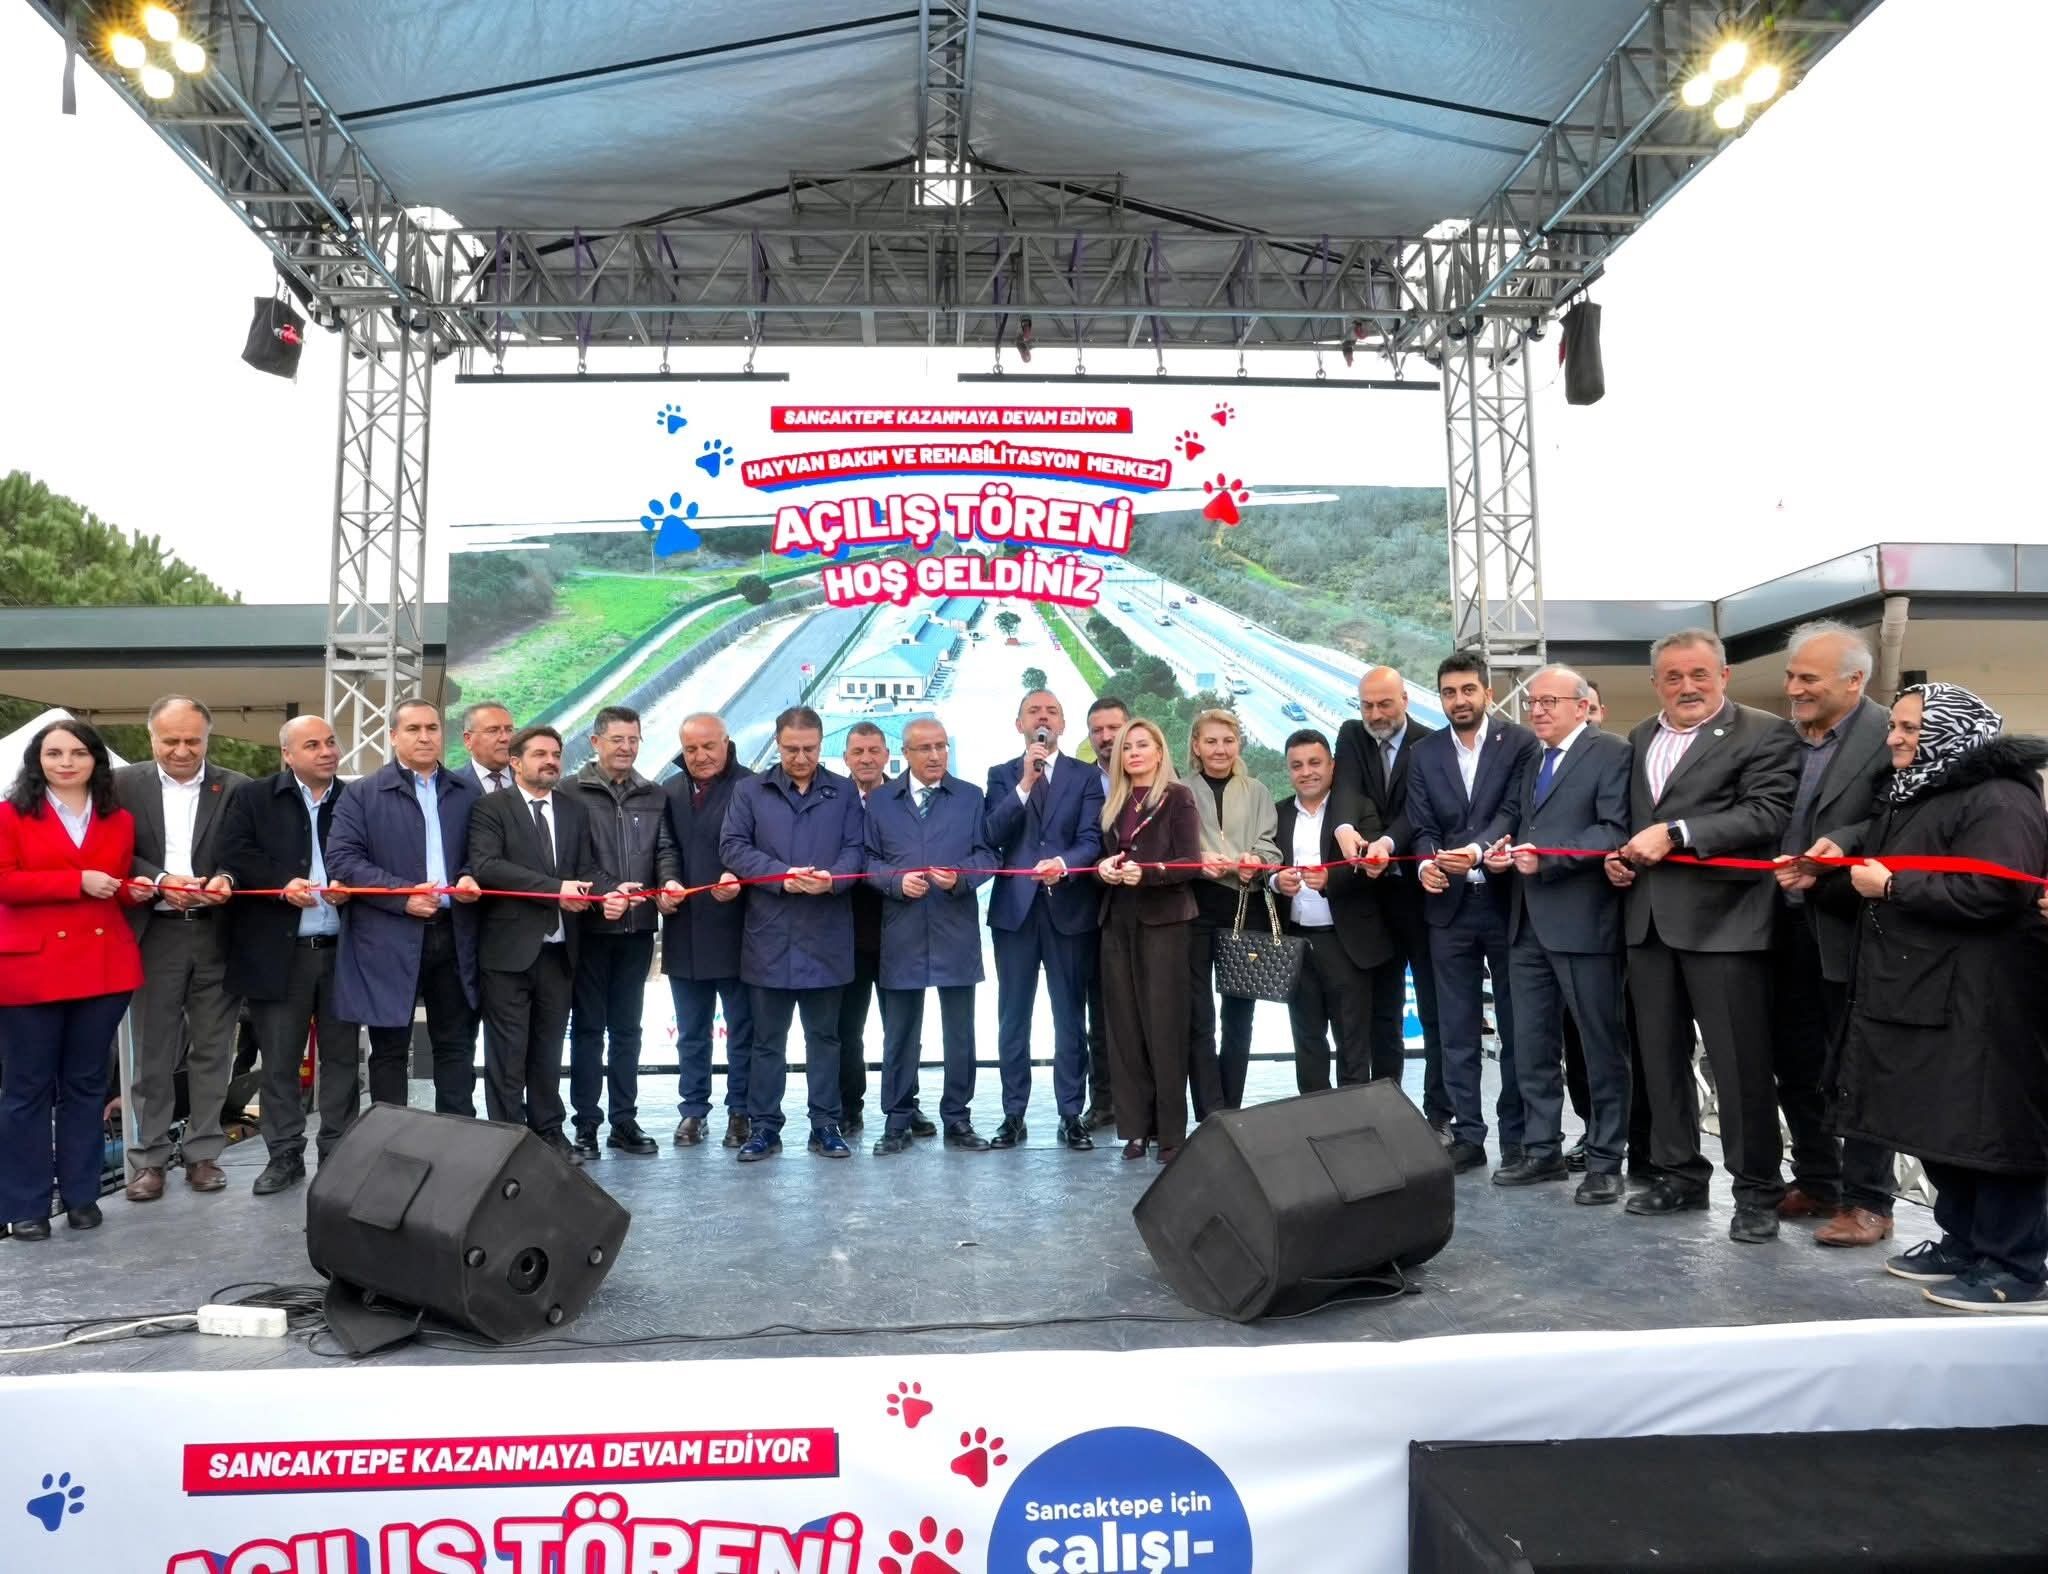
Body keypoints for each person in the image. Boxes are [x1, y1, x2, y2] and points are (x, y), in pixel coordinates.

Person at [1808, 684, 2048, 1312]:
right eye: (1895, 726)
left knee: (1990, 1127)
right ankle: (1965, 1243)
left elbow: (1998, 892)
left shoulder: (2000, 797)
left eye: (1910, 728)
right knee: (1942, 1126)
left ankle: (2017, 1265)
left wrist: (1894, 888)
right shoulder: (1920, 792)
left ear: (1951, 731)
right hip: (1925, 992)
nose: (1894, 738)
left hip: (1984, 997)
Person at [1607, 629, 1799, 1242]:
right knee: (1660, 1059)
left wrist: (1678, 833)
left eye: (1698, 674)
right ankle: (1679, 1176)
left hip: (1727, 924)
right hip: (1648, 922)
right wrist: (1621, 859)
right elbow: (1638, 824)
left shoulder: (1765, 731)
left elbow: (1768, 812)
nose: (1686, 686)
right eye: (1673, 676)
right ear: (1655, 683)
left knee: (1738, 1067)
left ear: (1724, 676)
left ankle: (1757, 1191)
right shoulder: (1640, 736)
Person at [1766, 621, 1897, 1245]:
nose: (1794, 689)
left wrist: (1842, 844)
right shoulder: (1780, 739)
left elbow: (1896, 821)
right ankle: (1819, 1180)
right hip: (1780, 925)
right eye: (1791, 676)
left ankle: (1871, 1201)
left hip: (1851, 927)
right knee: (1794, 1060)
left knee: (1858, 1069)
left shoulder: (1889, 737)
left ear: (1854, 681)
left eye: (1808, 679)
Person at [1483, 667, 1632, 1202]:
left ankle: (1606, 1159)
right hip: (1526, 923)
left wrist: (1546, 859)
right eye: (1532, 702)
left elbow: (1613, 829)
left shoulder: (1611, 752)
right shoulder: (1535, 760)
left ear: (1582, 706)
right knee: (1531, 1044)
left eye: (1549, 701)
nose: (1538, 710)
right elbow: (1525, 826)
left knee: (1600, 1046)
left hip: (1585, 923)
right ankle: (1542, 1149)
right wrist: (1503, 853)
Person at [0, 720, 147, 1241]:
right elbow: (5, 882)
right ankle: (25, 1205)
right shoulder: (10, 815)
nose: (66, 762)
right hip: (30, 970)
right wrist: (75, 881)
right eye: (54, 753)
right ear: (37, 760)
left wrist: (135, 889)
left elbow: (114, 886)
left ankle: (83, 1196)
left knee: (86, 1086)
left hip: (102, 967)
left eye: (78, 753)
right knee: (27, 1089)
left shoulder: (118, 819)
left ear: (95, 761)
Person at [1394, 655, 1537, 1175]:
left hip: (1505, 902)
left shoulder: (1519, 743)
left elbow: (1514, 812)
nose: (1459, 700)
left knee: (1516, 1027)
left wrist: (1474, 853)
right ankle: (1468, 1136)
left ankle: (1516, 1137)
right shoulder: (1424, 752)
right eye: (1449, 692)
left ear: (1487, 692)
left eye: (1468, 690)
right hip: (1447, 908)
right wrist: (1428, 865)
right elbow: (1421, 824)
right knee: (1456, 1031)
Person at [217, 716, 362, 1196]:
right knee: (279, 1061)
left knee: (342, 1060)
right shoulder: (254, 797)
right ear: (287, 754)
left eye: (331, 742)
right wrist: (281, 885)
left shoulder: (355, 799)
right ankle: (284, 1155)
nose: (327, 751)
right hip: (280, 954)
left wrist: (351, 885)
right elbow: (234, 853)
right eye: (312, 744)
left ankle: (338, 1155)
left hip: (343, 951)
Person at [113, 695, 249, 1201]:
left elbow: (247, 850)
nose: (182, 750)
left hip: (217, 933)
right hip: (154, 932)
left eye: (193, 740)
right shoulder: (122, 786)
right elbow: (111, 850)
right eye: (170, 740)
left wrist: (228, 877)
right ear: (151, 737)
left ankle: (203, 1154)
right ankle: (148, 1160)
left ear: (208, 738)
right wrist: (160, 879)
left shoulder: (236, 787)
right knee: (152, 1051)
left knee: (214, 1048)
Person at [470, 725, 624, 1161]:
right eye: (540, 754)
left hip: (560, 952)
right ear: (515, 762)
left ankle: (550, 1132)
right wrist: (556, 889)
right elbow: (487, 866)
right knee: (507, 1054)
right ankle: (508, 1140)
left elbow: (585, 870)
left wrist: (608, 893)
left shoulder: (573, 810)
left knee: (548, 1050)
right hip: (507, 953)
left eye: (555, 754)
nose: (551, 761)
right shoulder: (491, 807)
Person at [719, 705, 865, 1161]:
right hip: (770, 934)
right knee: (767, 1042)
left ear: (821, 745)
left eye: (809, 749)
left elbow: (857, 850)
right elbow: (732, 846)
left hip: (826, 933)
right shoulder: (750, 791)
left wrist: (833, 880)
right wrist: (779, 876)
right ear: (777, 744)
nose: (800, 758)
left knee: (825, 1038)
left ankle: (826, 1124)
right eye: (790, 749)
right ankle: (764, 1126)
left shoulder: (843, 791)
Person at [327, 699, 484, 1115]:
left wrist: (470, 875)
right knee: (389, 1049)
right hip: (386, 936)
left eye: (432, 728)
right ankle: (390, 1140)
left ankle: (456, 1135)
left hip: (455, 935)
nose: (425, 737)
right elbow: (342, 859)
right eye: (413, 729)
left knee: (456, 1046)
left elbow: (484, 853)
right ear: (393, 736)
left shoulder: (467, 792)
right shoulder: (362, 793)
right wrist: (403, 896)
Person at [863, 719, 995, 1154]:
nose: (936, 755)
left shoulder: (970, 797)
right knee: (900, 1032)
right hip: (902, 930)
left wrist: (961, 877)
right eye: (925, 748)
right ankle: (897, 1120)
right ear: (906, 753)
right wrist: (895, 882)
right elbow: (866, 860)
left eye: (941, 746)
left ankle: (958, 1117)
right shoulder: (881, 801)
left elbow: (987, 854)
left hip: (954, 926)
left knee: (960, 1031)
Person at [983, 689, 1105, 1151]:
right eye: (1034, 712)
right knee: (1013, 1017)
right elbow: (992, 833)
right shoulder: (1001, 775)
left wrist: (1064, 864)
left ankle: (1071, 1113)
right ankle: (1013, 1114)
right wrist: (1025, 784)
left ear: (1063, 725)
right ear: (1020, 725)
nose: (1043, 718)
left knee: (1069, 1016)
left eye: (1051, 711)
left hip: (1067, 909)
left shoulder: (1084, 776)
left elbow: (1091, 839)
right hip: (1014, 914)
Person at [1332, 666, 1446, 1132]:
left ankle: (1439, 1115)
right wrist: (1344, 828)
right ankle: (1384, 1112)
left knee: (1434, 1013)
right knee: (1381, 1014)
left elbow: (1418, 811)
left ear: (1405, 701)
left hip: (1419, 899)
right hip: (1369, 902)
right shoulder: (1351, 735)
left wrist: (1385, 844)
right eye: (1367, 705)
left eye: (1385, 704)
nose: (1376, 714)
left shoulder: (1430, 743)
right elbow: (1346, 789)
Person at [564, 705, 669, 1160]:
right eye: (617, 739)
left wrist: (668, 883)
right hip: (590, 929)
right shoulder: (570, 792)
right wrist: (608, 891)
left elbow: (665, 850)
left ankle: (624, 1121)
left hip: (638, 929)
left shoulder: (653, 793)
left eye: (633, 740)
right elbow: (572, 858)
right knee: (588, 1030)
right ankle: (586, 1124)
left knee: (628, 1031)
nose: (626, 748)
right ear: (595, 742)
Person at [1096, 718, 1202, 1162]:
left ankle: (1171, 1133)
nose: (1134, 753)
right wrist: (1104, 869)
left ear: (1159, 752)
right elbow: (1105, 857)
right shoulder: (1114, 802)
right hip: (1118, 919)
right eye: (1127, 747)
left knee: (1165, 1026)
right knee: (1125, 1027)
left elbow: (1191, 863)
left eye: (1142, 745)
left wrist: (1150, 873)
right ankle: (1135, 1130)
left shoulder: (1178, 797)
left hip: (1164, 922)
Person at [1271, 729, 1389, 1093]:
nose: (1306, 772)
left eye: (1314, 763)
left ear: (1332, 766)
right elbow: (1265, 866)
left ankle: (1353, 1120)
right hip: (1296, 944)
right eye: (1297, 766)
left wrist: (1331, 879)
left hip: (1346, 943)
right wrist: (1276, 881)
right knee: (1306, 1041)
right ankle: (1313, 1118)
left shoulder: (1357, 809)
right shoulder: (1277, 814)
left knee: (1353, 1041)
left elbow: (1375, 869)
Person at [657, 714, 754, 1148]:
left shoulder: (751, 787)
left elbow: (762, 849)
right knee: (692, 1032)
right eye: (691, 749)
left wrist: (740, 878)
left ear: (727, 743)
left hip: (739, 930)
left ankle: (741, 1110)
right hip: (684, 929)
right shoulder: (670, 791)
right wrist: (665, 884)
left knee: (743, 1029)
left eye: (709, 746)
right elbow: (663, 848)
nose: (700, 756)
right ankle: (693, 1110)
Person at [837, 722, 934, 1137]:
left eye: (874, 751)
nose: (866, 759)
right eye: (858, 752)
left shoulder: (905, 799)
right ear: (846, 757)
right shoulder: (835, 800)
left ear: (887, 755)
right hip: (845, 935)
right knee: (847, 1029)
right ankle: (849, 1106)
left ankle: (906, 1104)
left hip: (901, 929)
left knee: (903, 1028)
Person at [1185, 708, 1280, 1118]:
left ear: (1239, 744)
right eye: (1211, 741)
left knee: (1239, 1017)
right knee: (1198, 1016)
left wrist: (1254, 860)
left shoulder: (1257, 790)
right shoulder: (1179, 791)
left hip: (1246, 908)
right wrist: (1197, 860)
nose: (1220, 749)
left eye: (1228, 741)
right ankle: (1210, 1111)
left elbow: (1270, 846)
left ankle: (1232, 1109)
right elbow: (1172, 847)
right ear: (1196, 746)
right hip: (1194, 910)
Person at [1080, 695, 1130, 1129]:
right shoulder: (1081, 781)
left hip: (1150, 909)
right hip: (1094, 909)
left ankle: (1150, 1103)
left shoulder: (1162, 781)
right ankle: (1104, 1100)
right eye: (1097, 730)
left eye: (1114, 727)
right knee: (1100, 1011)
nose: (1106, 737)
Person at [460, 701, 516, 796]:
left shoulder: (533, 779)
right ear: (468, 739)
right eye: (493, 731)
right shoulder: (451, 784)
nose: (505, 738)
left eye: (509, 730)